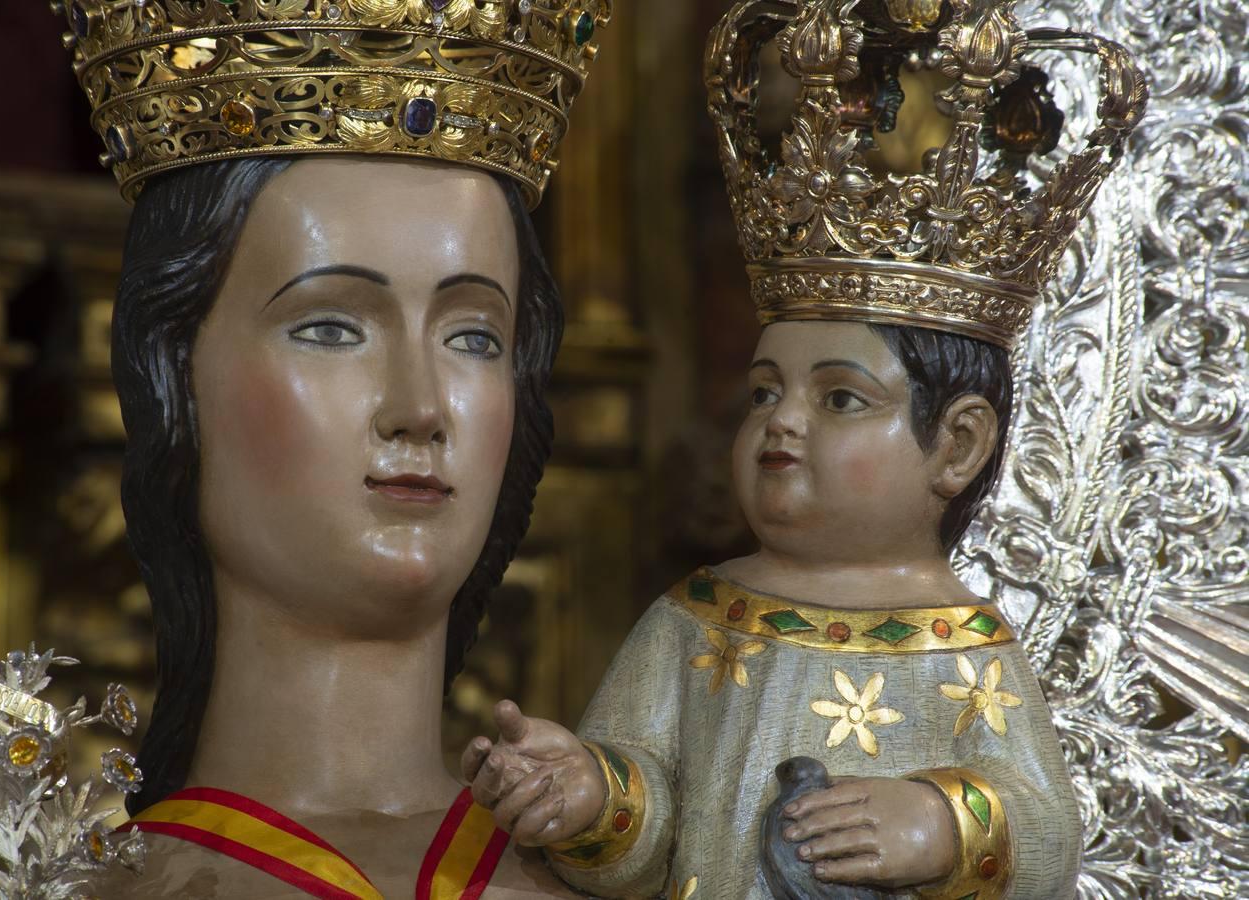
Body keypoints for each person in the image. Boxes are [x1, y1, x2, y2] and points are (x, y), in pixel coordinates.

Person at [459, 0, 1145, 895]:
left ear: (959, 445)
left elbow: (1047, 834)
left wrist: (943, 823)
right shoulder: (693, 619)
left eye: (840, 398)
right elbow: (651, 819)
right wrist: (591, 795)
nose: (782, 421)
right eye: (763, 393)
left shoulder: (967, 649)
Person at [50, 0, 613, 895]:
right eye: (329, 328)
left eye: (473, 338)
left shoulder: (629, 863)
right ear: (173, 379)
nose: (420, 408)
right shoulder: (76, 883)